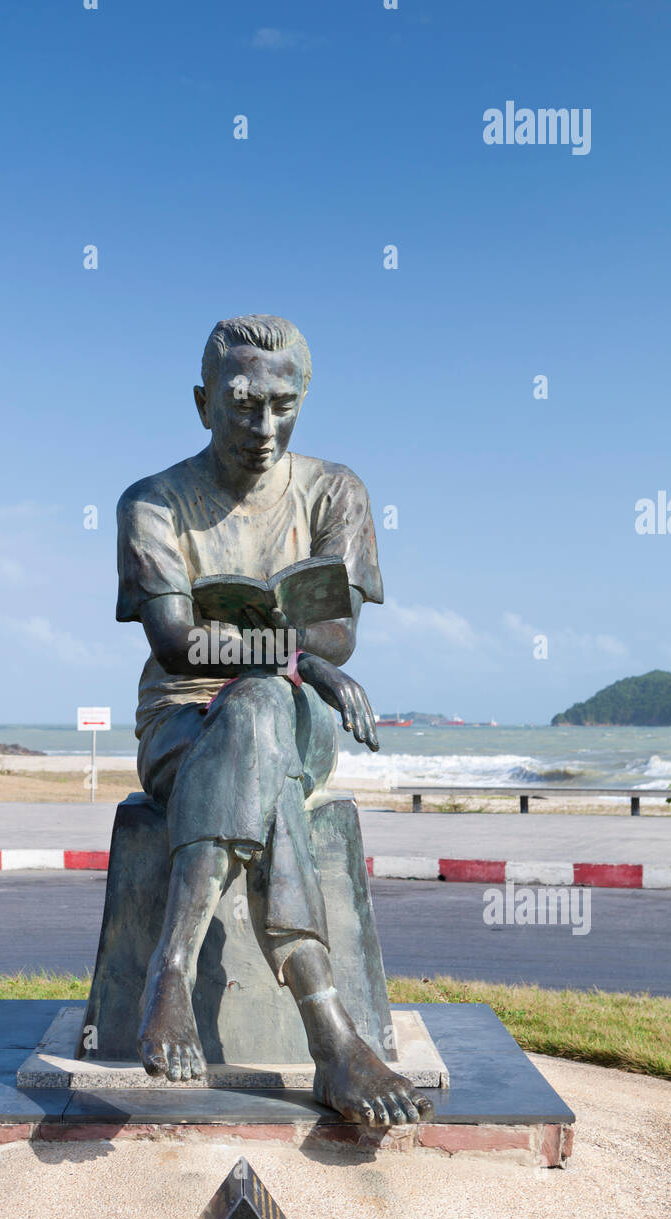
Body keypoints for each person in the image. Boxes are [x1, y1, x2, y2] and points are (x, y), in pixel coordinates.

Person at [116, 314, 433, 1127]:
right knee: (258, 729)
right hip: (182, 724)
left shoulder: (337, 492)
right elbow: (176, 642)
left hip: (296, 719)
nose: (263, 426)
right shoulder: (153, 502)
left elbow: (339, 632)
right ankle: (333, 1038)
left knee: (260, 707)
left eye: (283, 405)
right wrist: (303, 660)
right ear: (202, 403)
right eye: (243, 403)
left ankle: (170, 972)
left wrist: (301, 663)